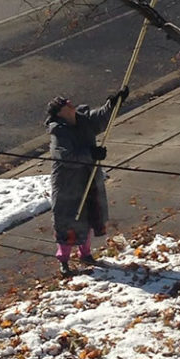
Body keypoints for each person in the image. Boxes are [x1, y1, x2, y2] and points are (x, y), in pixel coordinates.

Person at [45, 87, 129, 277]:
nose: (68, 102)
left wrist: (114, 103)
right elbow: (66, 157)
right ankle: (64, 260)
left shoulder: (84, 120)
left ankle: (86, 254)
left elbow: (100, 118)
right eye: (63, 104)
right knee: (68, 221)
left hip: (89, 178)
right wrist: (91, 154)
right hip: (69, 184)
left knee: (89, 216)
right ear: (60, 113)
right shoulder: (58, 133)